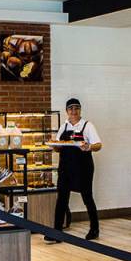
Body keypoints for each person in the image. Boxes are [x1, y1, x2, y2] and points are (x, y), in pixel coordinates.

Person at [46, 98, 102, 242]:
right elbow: (59, 147)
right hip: (65, 168)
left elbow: (98, 144)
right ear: (67, 111)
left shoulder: (87, 126)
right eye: (71, 109)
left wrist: (89, 147)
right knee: (62, 199)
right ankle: (57, 232)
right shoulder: (63, 127)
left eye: (76, 108)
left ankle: (94, 229)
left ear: (80, 110)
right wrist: (54, 145)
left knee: (87, 197)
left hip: (83, 168)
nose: (74, 111)